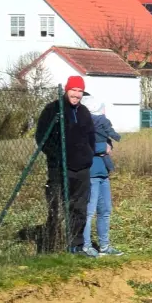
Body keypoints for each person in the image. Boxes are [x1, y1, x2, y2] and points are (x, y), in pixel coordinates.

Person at [35, 77, 94, 254]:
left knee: (79, 207)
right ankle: (51, 247)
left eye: (80, 91)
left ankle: (75, 245)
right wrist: (58, 157)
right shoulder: (52, 109)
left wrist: (88, 155)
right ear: (66, 90)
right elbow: (41, 138)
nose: (76, 95)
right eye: (73, 90)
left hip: (81, 169)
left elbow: (90, 136)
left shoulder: (83, 111)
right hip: (60, 168)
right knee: (56, 209)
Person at [83, 98, 123, 257]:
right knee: (89, 212)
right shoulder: (84, 126)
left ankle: (104, 246)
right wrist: (102, 148)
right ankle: (86, 247)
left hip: (103, 173)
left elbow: (109, 145)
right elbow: (83, 148)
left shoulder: (100, 126)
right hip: (91, 174)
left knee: (105, 210)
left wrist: (106, 147)